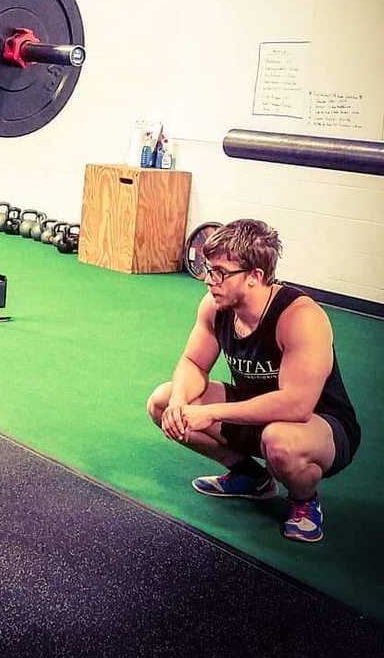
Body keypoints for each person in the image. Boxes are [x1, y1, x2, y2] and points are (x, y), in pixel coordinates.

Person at [147, 219, 360, 543]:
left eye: (220, 272)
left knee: (279, 440)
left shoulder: (300, 317)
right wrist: (179, 402)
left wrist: (211, 413)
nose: (208, 280)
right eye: (208, 269)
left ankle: (304, 501)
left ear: (255, 276)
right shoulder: (216, 307)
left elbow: (296, 406)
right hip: (253, 411)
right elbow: (193, 363)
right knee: (163, 402)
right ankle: (251, 477)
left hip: (319, 426)